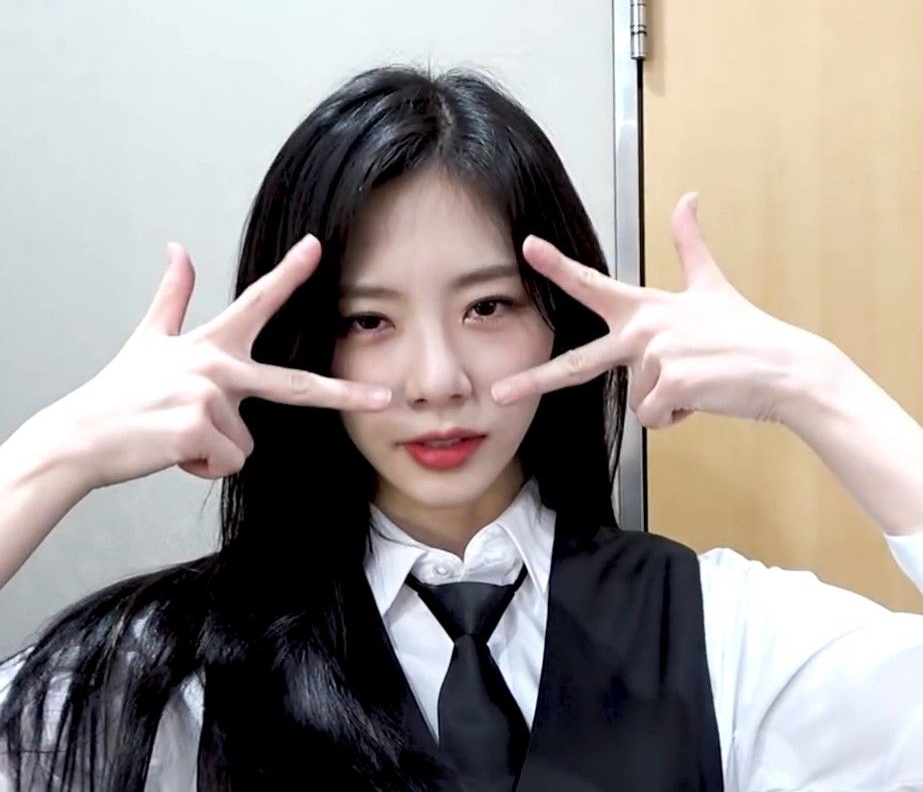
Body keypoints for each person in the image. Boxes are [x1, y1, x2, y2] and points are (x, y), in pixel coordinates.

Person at [0, 64, 922, 792]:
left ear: (559, 319)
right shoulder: (172, 671)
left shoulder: (723, 636)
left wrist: (819, 387)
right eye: (368, 320)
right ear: (302, 343)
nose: (438, 380)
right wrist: (56, 452)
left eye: (487, 306)